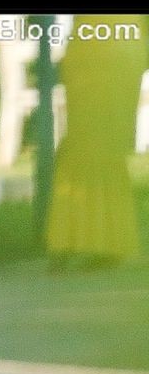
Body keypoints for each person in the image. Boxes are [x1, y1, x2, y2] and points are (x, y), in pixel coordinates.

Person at [44, 16, 149, 267]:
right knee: (90, 140)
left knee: (101, 142)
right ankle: (89, 239)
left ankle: (87, 240)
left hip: (112, 43)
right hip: (100, 41)